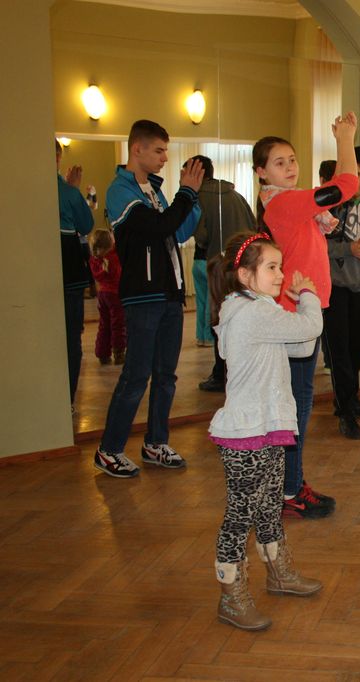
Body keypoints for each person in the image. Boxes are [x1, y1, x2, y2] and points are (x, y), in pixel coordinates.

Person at [208, 231, 323, 631]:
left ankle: (279, 573)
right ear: (244, 275)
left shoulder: (257, 310)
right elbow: (310, 325)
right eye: (272, 267)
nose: (281, 275)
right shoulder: (252, 313)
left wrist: (300, 309)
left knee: (271, 503)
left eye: (281, 267)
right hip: (246, 434)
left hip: (268, 426)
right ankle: (231, 596)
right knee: (240, 515)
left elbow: (302, 347)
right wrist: (307, 295)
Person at [254, 113, 359, 519]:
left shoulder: (295, 204)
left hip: (305, 311)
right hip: (294, 314)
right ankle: (289, 489)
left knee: (298, 402)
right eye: (279, 162)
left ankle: (289, 483)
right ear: (261, 172)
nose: (290, 167)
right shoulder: (284, 203)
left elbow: (340, 190)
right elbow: (346, 185)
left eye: (292, 159)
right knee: (297, 405)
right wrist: (346, 139)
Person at [93, 120, 203, 478]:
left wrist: (193, 198)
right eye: (159, 150)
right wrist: (185, 194)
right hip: (143, 297)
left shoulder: (155, 191)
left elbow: (177, 231)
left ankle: (156, 443)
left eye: (165, 151)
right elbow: (156, 227)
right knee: (136, 376)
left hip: (170, 294)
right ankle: (109, 450)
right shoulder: (119, 190)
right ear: (136, 149)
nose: (164, 158)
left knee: (165, 375)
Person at [319, 147, 360, 441]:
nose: (351, 179)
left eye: (357, 174)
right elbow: (319, 243)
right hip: (333, 285)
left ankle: (350, 396)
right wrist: (349, 249)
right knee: (339, 350)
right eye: (346, 173)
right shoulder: (328, 200)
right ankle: (344, 410)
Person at [188, 155, 257, 393]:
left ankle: (221, 374)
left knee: (220, 321)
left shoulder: (199, 198)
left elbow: (202, 236)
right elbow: (253, 226)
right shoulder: (235, 195)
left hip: (219, 266)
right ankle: (237, 372)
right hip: (244, 266)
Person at [55, 139, 94, 409]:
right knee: (70, 338)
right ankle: (66, 401)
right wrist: (73, 190)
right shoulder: (66, 192)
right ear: (58, 158)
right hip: (68, 265)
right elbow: (86, 224)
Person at [88, 229, 126, 365]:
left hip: (102, 294)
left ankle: (102, 353)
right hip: (115, 295)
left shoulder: (95, 260)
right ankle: (119, 352)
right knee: (118, 324)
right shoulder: (113, 257)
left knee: (104, 325)